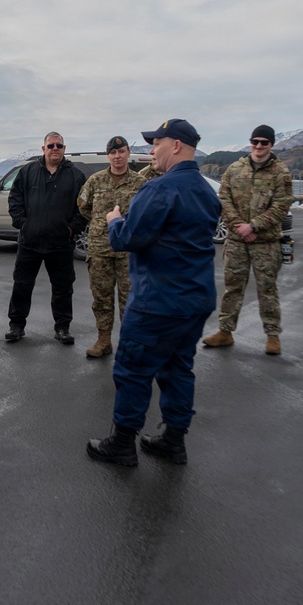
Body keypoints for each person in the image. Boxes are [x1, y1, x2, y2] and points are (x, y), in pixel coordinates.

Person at [87, 119, 221, 467]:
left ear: (175, 145)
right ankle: (173, 441)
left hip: (158, 300)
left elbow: (127, 239)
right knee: (178, 367)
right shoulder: (206, 191)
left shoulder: (159, 189)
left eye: (156, 143)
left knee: (133, 369)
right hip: (195, 299)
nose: (151, 151)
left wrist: (115, 219)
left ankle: (122, 442)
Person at [202, 125, 294, 354]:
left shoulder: (280, 173)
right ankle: (225, 331)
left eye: (264, 142)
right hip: (236, 241)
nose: (259, 146)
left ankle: (272, 335)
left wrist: (253, 226)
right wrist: (239, 227)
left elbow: (282, 206)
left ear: (271, 144)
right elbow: (223, 199)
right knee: (232, 287)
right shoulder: (234, 169)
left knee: (267, 289)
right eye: (255, 141)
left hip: (266, 242)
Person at [6, 131, 88, 344]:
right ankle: (16, 326)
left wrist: (72, 229)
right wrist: (22, 224)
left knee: (63, 287)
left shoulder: (76, 176)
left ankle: (62, 327)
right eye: (50, 146)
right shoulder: (28, 172)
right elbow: (14, 199)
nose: (55, 149)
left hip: (60, 243)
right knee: (22, 285)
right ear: (43, 149)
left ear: (64, 149)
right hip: (30, 242)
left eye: (59, 146)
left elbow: (85, 208)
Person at [76, 136, 145, 358]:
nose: (117, 156)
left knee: (131, 299)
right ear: (108, 156)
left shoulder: (139, 183)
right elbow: (83, 207)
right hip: (100, 249)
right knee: (102, 298)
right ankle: (103, 341)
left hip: (129, 250)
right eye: (113, 153)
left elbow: (146, 212)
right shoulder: (95, 181)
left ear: (127, 154)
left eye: (121, 152)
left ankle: (129, 344)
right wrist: (99, 223)